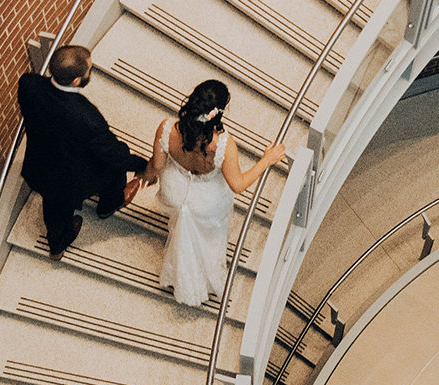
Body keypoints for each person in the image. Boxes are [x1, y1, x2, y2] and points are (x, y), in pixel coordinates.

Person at [144, 80, 287, 306]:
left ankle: (180, 269)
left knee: (184, 215)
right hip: (205, 203)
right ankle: (203, 276)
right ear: (218, 113)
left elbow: (158, 166)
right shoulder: (223, 145)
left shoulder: (166, 128)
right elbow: (238, 185)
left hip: (175, 192)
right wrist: (266, 160)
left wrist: (148, 173)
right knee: (207, 235)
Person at [16, 45, 149, 261]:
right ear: (77, 81)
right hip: (71, 178)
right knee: (113, 172)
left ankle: (57, 248)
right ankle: (109, 205)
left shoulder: (29, 84)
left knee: (54, 209)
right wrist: (143, 165)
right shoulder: (86, 116)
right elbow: (114, 154)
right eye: (89, 69)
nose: (90, 71)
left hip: (40, 166)